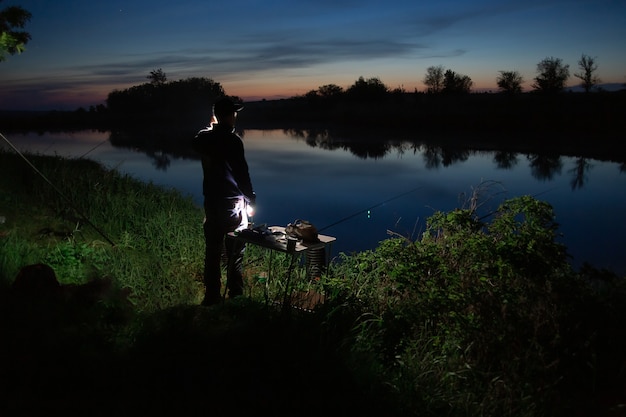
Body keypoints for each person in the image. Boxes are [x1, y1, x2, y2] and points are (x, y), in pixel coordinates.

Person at [192, 97, 256, 306]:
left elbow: (198, 138)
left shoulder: (204, 139)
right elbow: (242, 174)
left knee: (212, 252)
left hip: (211, 202)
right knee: (235, 253)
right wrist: (251, 197)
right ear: (229, 116)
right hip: (232, 205)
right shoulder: (233, 141)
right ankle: (235, 296)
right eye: (233, 113)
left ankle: (212, 296)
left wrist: (214, 125)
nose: (235, 116)